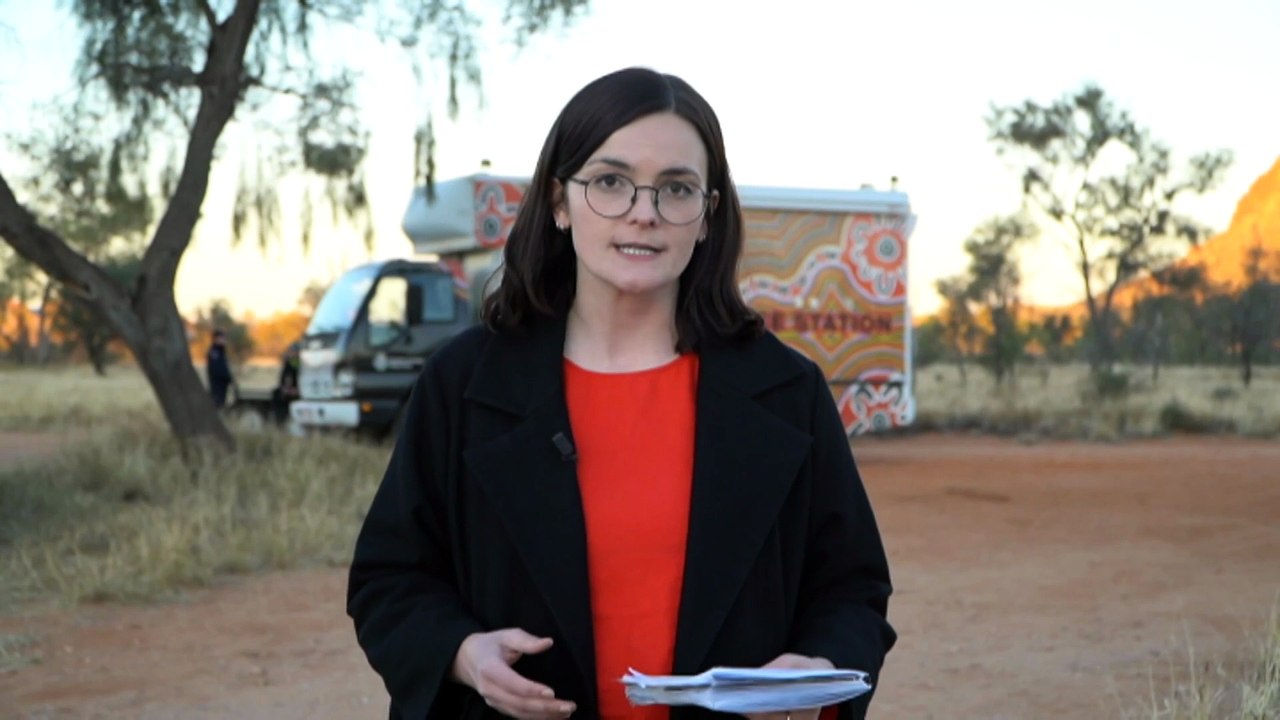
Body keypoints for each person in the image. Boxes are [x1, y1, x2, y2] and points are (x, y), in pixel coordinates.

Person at [347, 67, 895, 720]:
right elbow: (391, 579)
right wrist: (463, 653)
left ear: (707, 215)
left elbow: (852, 592)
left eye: (677, 188)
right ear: (558, 201)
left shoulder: (785, 392)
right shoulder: (463, 384)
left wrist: (819, 671)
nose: (644, 211)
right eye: (610, 182)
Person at [272, 341, 301, 424]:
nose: (291, 353)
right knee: (277, 394)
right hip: (288, 390)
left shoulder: (299, 364)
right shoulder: (289, 363)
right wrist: (285, 389)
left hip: (297, 390)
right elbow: (284, 379)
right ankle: (279, 421)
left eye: (293, 351)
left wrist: (294, 390)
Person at [206, 329, 234, 409]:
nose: (224, 340)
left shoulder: (220, 351)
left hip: (223, 384)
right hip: (217, 385)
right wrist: (227, 377)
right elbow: (217, 369)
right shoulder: (214, 352)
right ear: (216, 339)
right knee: (217, 404)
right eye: (222, 338)